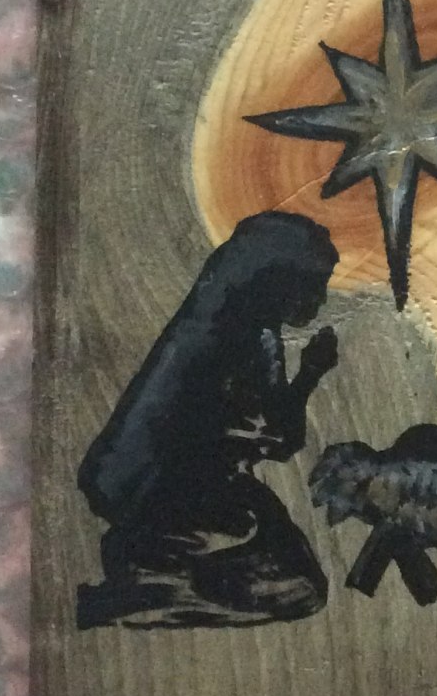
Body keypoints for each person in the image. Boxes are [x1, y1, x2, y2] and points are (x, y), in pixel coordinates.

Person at [75, 212, 339, 629]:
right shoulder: (236, 337)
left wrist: (308, 375)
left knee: (294, 575)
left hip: (191, 490)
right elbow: (277, 438)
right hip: (173, 495)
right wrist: (308, 376)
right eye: (315, 284)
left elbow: (275, 437)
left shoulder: (242, 330)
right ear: (280, 278)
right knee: (296, 585)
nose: (320, 300)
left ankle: (151, 582)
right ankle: (143, 591)